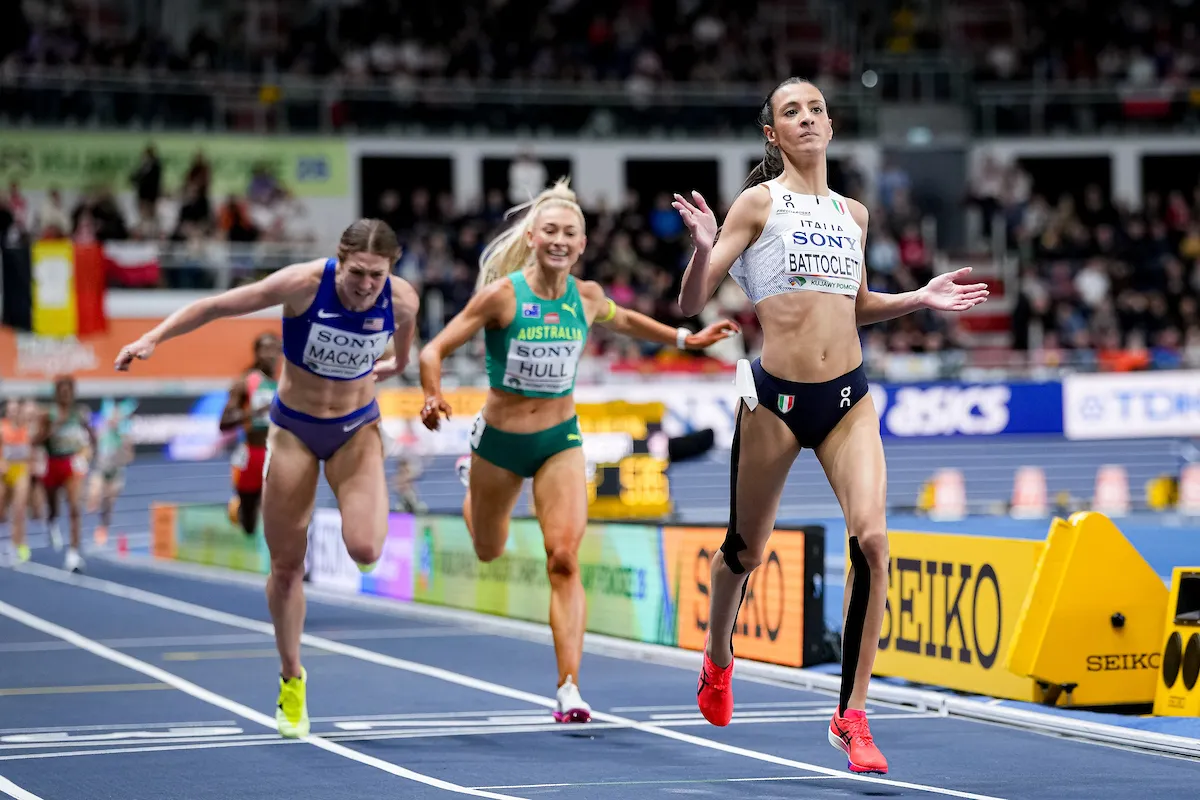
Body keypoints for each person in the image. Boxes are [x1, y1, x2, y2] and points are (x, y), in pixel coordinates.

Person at [673, 77, 989, 775]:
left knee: (873, 541)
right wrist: (702, 247)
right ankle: (719, 655)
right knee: (743, 553)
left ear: (831, 124)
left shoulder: (855, 212)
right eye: (792, 111)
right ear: (772, 133)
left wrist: (920, 297)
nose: (807, 117)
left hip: (849, 397)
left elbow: (852, 306)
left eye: (815, 108)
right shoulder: (758, 202)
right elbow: (690, 302)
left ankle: (850, 715)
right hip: (776, 402)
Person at [418, 179, 739, 723]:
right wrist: (431, 394)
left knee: (564, 559)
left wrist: (686, 340)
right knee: (489, 548)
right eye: (550, 231)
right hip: (498, 443)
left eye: (570, 232)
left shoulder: (585, 297)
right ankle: (473, 494)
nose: (560, 240)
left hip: (559, 440)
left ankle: (569, 687)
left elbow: (629, 321)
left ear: (583, 242)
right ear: (533, 237)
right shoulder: (502, 296)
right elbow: (434, 348)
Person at [114, 219, 420, 739]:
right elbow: (216, 306)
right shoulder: (302, 285)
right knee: (285, 567)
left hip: (355, 429)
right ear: (338, 260)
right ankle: (291, 677)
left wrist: (384, 371)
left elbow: (403, 355)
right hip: (295, 432)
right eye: (357, 274)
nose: (367, 286)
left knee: (367, 548)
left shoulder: (404, 301)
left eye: (377, 276)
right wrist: (152, 337)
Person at [220, 332, 283, 534]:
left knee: (278, 512)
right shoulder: (245, 383)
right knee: (248, 523)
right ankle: (240, 507)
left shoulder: (285, 385)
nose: (271, 355)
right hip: (252, 455)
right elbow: (224, 423)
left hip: (277, 454)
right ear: (256, 353)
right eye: (265, 350)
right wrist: (255, 412)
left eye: (275, 350)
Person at [36, 376, 96, 573]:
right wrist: (52, 429)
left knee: (75, 508)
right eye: (62, 392)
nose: (65, 395)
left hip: (72, 462)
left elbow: (93, 437)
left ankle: (73, 554)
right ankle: (52, 523)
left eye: (68, 392)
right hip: (53, 463)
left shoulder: (79, 414)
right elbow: (35, 440)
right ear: (57, 394)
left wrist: (88, 455)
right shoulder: (48, 414)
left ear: (72, 393)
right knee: (53, 507)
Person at [86, 397, 137, 545]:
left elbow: (130, 457)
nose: (114, 420)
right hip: (101, 469)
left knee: (108, 504)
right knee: (94, 497)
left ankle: (102, 528)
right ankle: (92, 502)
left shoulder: (124, 433)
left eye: (117, 417)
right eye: (112, 417)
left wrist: (124, 449)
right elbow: (93, 444)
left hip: (116, 471)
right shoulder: (102, 429)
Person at [1, 398, 34, 564]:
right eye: (10, 409)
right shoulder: (2, 427)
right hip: (4, 472)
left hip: (21, 470)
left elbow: (34, 450)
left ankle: (18, 545)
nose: (13, 412)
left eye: (16, 409)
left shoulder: (28, 428)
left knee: (19, 510)